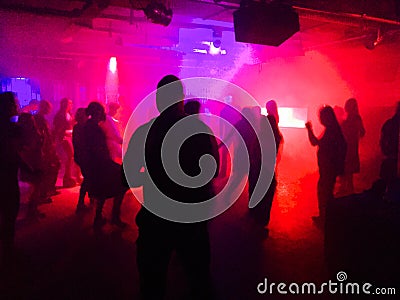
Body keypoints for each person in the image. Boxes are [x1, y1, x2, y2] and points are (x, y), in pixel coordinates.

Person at [124, 75, 219, 300]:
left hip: (155, 220)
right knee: (199, 282)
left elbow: (129, 179)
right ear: (181, 100)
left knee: (152, 285)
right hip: (191, 220)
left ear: (157, 100)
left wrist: (152, 174)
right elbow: (212, 173)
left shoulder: (144, 132)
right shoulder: (199, 129)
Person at [83, 102, 128, 227]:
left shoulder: (89, 126)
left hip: (96, 165)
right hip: (100, 164)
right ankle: (114, 216)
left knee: (103, 189)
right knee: (124, 182)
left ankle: (99, 217)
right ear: (98, 113)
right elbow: (98, 149)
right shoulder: (94, 128)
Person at [306, 106, 347, 224]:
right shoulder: (332, 129)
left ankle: (326, 219)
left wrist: (309, 130)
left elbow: (315, 143)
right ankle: (326, 217)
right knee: (326, 192)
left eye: (321, 116)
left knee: (325, 193)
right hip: (327, 168)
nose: (320, 119)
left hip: (329, 168)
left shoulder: (332, 131)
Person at [250, 100, 283, 228]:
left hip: (260, 169)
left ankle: (258, 219)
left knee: (260, 194)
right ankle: (263, 221)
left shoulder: (261, 137)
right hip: (269, 170)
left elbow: (255, 153)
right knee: (267, 196)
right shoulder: (275, 136)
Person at [0, 92, 21, 262]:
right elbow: (12, 152)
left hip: (8, 172)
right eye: (15, 103)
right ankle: (8, 249)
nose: (18, 105)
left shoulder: (9, 126)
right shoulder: (9, 128)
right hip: (6, 174)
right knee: (9, 210)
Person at [338, 98, 365, 195]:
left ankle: (348, 192)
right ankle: (347, 191)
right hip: (348, 147)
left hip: (350, 148)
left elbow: (362, 132)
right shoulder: (351, 119)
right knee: (346, 171)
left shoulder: (355, 118)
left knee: (347, 170)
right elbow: (362, 132)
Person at [34, 100, 60, 199]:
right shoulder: (39, 119)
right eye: (49, 107)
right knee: (48, 169)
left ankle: (48, 190)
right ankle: (44, 193)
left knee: (53, 167)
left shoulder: (41, 118)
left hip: (47, 148)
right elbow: (42, 135)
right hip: (45, 149)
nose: (50, 109)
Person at [72, 108, 92, 213]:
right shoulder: (82, 128)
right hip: (84, 157)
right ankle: (81, 203)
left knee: (88, 177)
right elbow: (81, 144)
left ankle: (88, 198)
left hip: (81, 156)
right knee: (88, 178)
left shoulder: (77, 127)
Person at [379, 101, 400, 201]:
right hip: (392, 161)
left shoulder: (389, 124)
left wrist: (386, 152)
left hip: (390, 160)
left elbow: (382, 141)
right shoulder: (391, 124)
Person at [53, 98, 75, 187]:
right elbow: (58, 128)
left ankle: (68, 177)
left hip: (69, 137)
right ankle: (66, 178)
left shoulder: (69, 114)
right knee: (68, 157)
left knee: (70, 157)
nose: (70, 106)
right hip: (64, 138)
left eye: (71, 104)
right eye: (69, 104)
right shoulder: (60, 115)